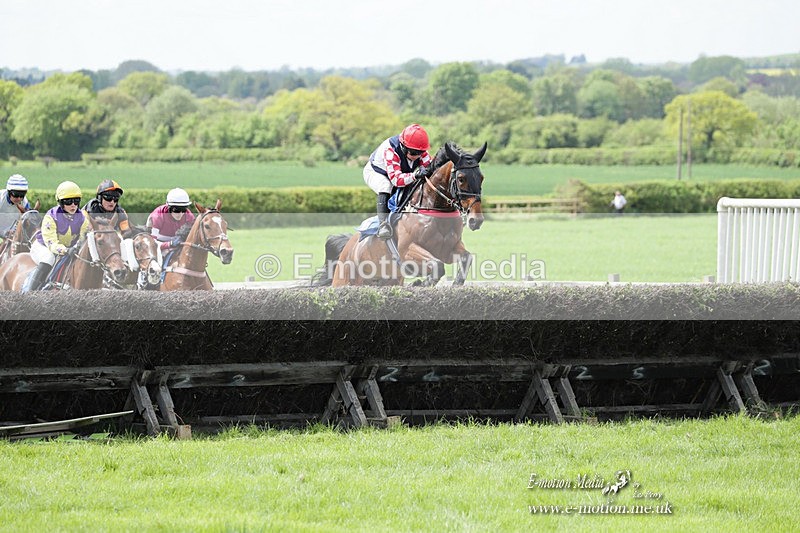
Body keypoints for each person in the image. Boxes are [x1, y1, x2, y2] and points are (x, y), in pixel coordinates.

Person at [363, 124, 432, 239]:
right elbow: (396, 180)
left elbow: (430, 169)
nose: (417, 156)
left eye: (420, 153)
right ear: (403, 147)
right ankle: (383, 225)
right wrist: (415, 175)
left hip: (398, 173)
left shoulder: (419, 149)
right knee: (385, 186)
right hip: (377, 172)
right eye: (413, 153)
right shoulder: (391, 150)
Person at [23, 181, 90, 292]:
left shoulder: (83, 218)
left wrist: (77, 247)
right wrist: (66, 250)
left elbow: (83, 238)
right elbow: (51, 243)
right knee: (49, 258)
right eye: (68, 201)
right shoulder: (51, 217)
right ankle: (29, 293)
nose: (73, 205)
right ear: (60, 202)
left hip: (69, 249)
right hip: (44, 246)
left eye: (76, 201)